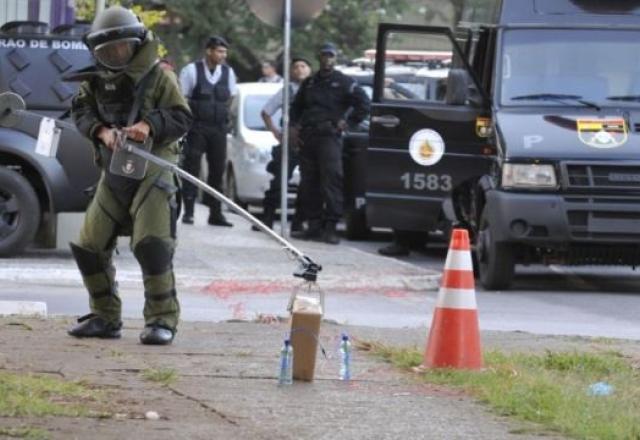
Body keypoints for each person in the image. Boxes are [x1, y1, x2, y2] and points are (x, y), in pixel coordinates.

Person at [67, 6, 192, 345]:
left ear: (136, 44)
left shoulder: (160, 76)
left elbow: (181, 117)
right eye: (107, 50)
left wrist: (149, 125)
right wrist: (100, 131)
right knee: (88, 245)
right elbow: (80, 110)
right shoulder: (93, 81)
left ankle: (161, 320)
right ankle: (105, 317)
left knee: (152, 244)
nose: (115, 55)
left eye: (122, 47)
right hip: (115, 169)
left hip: (154, 166)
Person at [290, 43, 370, 244]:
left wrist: (349, 123)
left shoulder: (344, 82)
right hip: (309, 137)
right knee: (309, 183)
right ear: (318, 57)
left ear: (335, 58)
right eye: (324, 56)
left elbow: (363, 104)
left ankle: (331, 227)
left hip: (329, 137)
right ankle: (313, 226)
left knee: (331, 181)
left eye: (330, 56)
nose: (327, 59)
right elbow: (296, 107)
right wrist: (294, 127)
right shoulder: (309, 83)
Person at [179, 36, 238, 226]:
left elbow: (231, 99)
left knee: (217, 171)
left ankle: (216, 213)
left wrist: (222, 116)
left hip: (218, 129)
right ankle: (188, 212)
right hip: (197, 128)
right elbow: (182, 98)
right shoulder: (191, 70)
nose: (223, 55)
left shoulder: (228, 73)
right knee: (191, 169)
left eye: (225, 52)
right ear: (209, 51)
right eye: (219, 51)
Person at [253, 57, 312, 232]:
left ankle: (299, 222)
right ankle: (267, 219)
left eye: (303, 66)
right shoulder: (288, 90)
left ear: (309, 69)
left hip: (311, 141)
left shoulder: (315, 88)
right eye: (296, 67)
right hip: (290, 141)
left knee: (308, 183)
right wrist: (276, 133)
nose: (299, 70)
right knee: (279, 180)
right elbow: (266, 111)